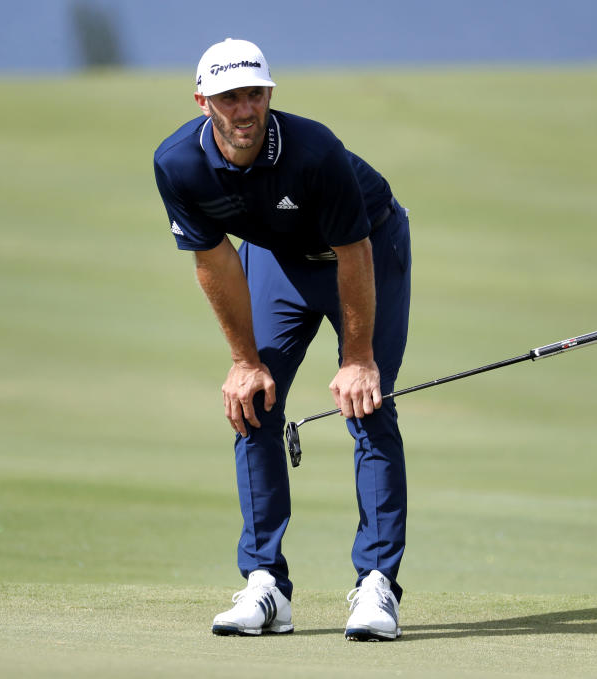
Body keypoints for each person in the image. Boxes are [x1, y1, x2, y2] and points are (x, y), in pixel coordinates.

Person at [153, 38, 411, 641]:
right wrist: (244, 361)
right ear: (202, 101)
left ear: (269, 95)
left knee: (366, 403)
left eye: (254, 95)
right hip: (278, 258)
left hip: (367, 249)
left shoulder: (314, 150)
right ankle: (266, 583)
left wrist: (359, 358)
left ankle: (377, 585)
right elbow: (214, 261)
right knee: (253, 404)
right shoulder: (178, 164)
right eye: (228, 97)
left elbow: (353, 254)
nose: (243, 109)